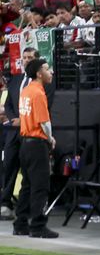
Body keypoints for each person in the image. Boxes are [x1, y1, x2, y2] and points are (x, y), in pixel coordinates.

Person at [13, 58, 57, 238]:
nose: (51, 72)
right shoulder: (38, 93)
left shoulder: (25, 90)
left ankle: (20, 224)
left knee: (27, 185)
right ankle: (38, 226)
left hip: (25, 143)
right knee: (40, 186)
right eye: (47, 69)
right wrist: (50, 138)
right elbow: (44, 122)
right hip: (37, 144)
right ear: (39, 74)